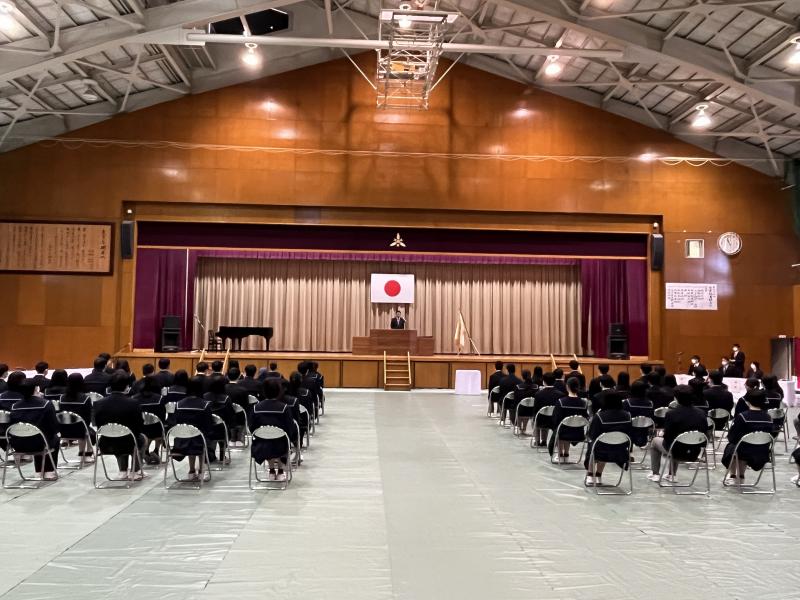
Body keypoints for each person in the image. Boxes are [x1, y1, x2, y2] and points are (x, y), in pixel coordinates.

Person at [647, 385, 709, 483]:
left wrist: (662, 434)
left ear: (675, 398)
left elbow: (667, 437)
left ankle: (655, 474)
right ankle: (672, 475)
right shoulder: (701, 413)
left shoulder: (671, 414)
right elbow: (705, 434)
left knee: (656, 441)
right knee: (676, 441)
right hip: (695, 452)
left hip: (676, 451)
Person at [93, 371, 146, 480]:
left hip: (105, 444)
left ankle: (122, 470)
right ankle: (135, 470)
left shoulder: (98, 403)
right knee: (141, 438)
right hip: (129, 443)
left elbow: (98, 425)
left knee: (117, 435)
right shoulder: (133, 403)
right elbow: (139, 426)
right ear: (127, 386)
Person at [8, 381, 60, 480]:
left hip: (18, 445)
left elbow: (11, 426)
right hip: (39, 443)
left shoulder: (14, 406)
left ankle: (38, 471)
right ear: (35, 389)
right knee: (52, 438)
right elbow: (53, 426)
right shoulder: (46, 404)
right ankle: (49, 471)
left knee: (37, 435)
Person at [722, 388, 772, 485]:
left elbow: (732, 436)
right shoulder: (768, 418)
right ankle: (741, 476)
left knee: (732, 447)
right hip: (762, 451)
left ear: (747, 402)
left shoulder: (742, 416)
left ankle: (733, 475)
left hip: (744, 451)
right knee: (742, 446)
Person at [170, 376, 216, 480]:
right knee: (202, 437)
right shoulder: (205, 405)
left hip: (181, 443)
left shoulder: (178, 404)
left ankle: (191, 470)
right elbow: (208, 425)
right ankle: (201, 470)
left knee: (190, 435)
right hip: (199, 442)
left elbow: (175, 422)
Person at [584, 392, 632, 486]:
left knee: (594, 443)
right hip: (621, 451)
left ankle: (590, 475)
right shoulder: (628, 415)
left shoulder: (600, 416)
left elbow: (592, 434)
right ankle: (598, 475)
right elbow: (630, 433)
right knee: (607, 443)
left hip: (601, 451)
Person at [251, 380, 295, 481]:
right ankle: (280, 471)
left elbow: (252, 427)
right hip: (281, 445)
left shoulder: (256, 407)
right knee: (282, 440)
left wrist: (262, 434)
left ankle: (271, 471)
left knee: (267, 441)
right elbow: (290, 427)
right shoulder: (284, 408)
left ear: (264, 391)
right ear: (279, 391)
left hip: (261, 445)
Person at [549, 377, 588, 460]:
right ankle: (566, 453)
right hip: (578, 434)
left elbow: (555, 419)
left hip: (563, 433)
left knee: (559, 427)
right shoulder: (583, 403)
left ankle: (560, 454)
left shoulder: (561, 402)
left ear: (567, 387)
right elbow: (585, 419)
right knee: (570, 426)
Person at [58, 372, 95, 460]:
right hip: (80, 430)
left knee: (84, 427)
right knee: (88, 429)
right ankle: (83, 453)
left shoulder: (62, 398)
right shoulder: (85, 398)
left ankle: (87, 451)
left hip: (63, 430)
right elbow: (88, 418)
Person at [132, 374, 167, 465]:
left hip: (140, 431)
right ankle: (156, 450)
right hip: (156, 431)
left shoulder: (134, 399)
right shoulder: (160, 399)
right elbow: (162, 417)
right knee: (161, 426)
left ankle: (146, 451)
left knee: (146, 428)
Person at [204, 376, 235, 463]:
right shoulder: (226, 398)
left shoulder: (204, 396)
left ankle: (209, 453)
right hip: (222, 430)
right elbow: (230, 416)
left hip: (207, 430)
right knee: (225, 428)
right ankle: (222, 454)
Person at [531, 372, 562, 447]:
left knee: (535, 418)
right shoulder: (560, 394)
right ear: (554, 381)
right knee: (548, 415)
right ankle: (544, 441)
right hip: (554, 421)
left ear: (543, 381)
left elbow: (536, 410)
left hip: (542, 420)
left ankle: (537, 441)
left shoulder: (538, 394)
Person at [513, 370, 538, 434]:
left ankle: (518, 427)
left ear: (522, 377)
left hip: (521, 410)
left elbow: (515, 400)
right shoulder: (536, 387)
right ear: (530, 376)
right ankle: (524, 428)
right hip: (532, 411)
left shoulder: (518, 387)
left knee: (518, 406)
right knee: (528, 406)